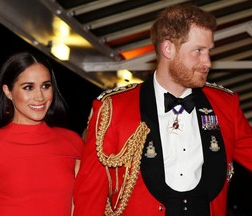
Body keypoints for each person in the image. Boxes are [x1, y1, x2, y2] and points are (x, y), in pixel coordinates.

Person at [73, 3, 252, 216]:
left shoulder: (225, 105)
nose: (208, 62)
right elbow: (89, 198)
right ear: (168, 49)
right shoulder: (114, 109)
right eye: (198, 51)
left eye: (209, 51)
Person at [0, 51, 84, 216]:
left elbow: (77, 209)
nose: (39, 96)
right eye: (28, 87)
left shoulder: (72, 142)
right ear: (7, 91)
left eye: (45, 86)